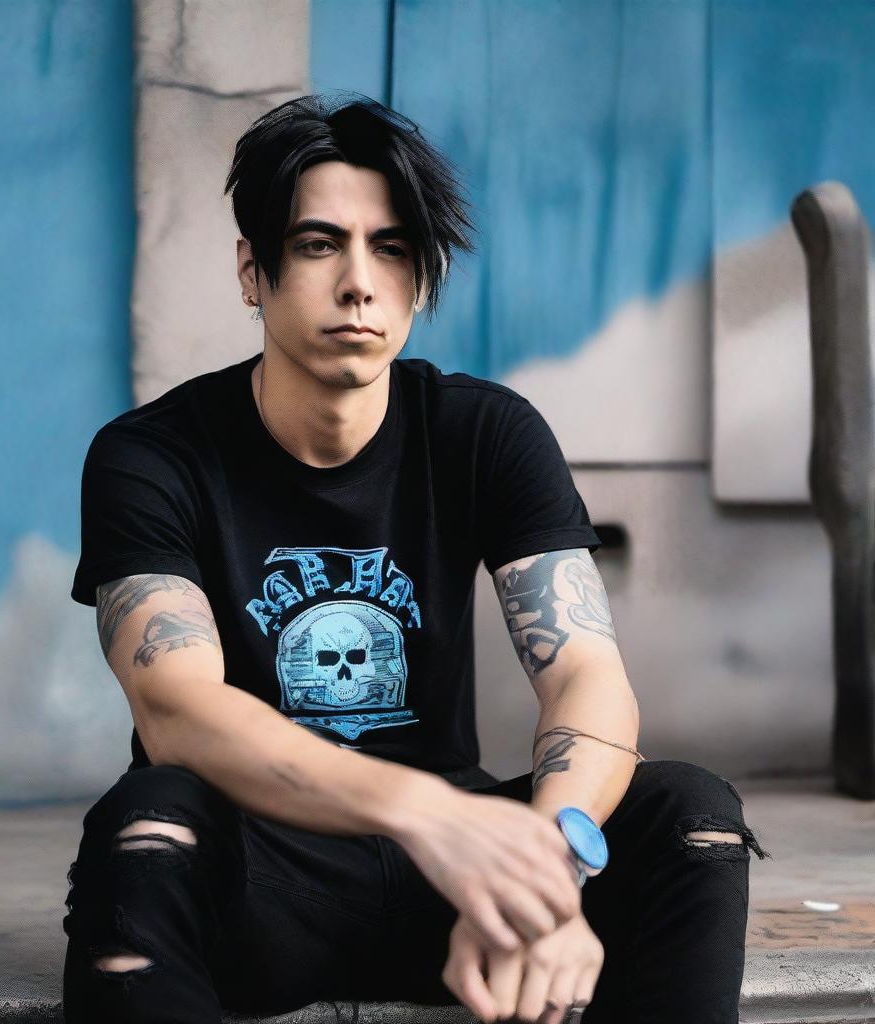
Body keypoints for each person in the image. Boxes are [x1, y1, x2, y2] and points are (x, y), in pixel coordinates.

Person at [61, 93, 771, 1024]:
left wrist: (546, 863)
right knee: (147, 821)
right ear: (252, 270)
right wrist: (428, 815)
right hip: (267, 872)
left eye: (392, 248)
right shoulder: (152, 454)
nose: (360, 282)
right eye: (319, 244)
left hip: (462, 886)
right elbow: (178, 710)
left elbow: (586, 674)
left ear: (422, 279)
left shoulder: (484, 431)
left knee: (692, 814)